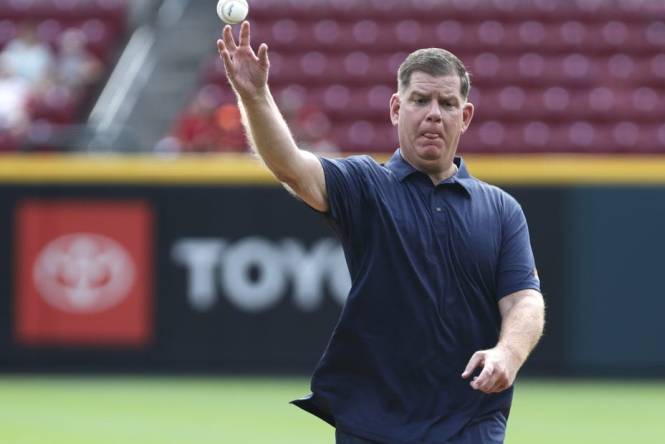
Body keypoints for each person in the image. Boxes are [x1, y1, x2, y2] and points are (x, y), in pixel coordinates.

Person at [217, 22, 545, 443]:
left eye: (447, 103)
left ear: (465, 117)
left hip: (471, 420)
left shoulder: (501, 210)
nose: (432, 113)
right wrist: (255, 96)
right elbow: (292, 169)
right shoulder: (365, 186)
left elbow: (524, 299)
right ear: (395, 108)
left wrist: (508, 353)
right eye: (419, 100)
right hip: (376, 423)